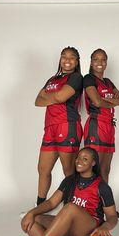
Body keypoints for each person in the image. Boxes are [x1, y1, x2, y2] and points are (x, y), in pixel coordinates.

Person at [0, 147, 118, 236]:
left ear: (93, 163)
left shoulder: (102, 186)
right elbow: (51, 203)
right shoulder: (70, 180)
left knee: (70, 208)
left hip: (86, 234)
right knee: (32, 221)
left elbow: (112, 216)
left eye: (85, 159)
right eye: (78, 157)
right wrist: (31, 213)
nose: (79, 161)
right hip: (66, 233)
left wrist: (105, 227)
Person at [34, 47, 83, 206]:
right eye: (64, 57)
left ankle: (70, 208)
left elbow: (61, 97)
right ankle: (40, 206)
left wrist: (52, 97)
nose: (67, 60)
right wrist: (55, 97)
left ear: (77, 62)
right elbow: (37, 101)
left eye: (72, 58)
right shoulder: (52, 80)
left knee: (68, 171)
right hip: (50, 127)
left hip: (67, 126)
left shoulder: (76, 78)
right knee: (43, 169)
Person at [83, 49, 119, 219]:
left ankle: (104, 206)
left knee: (105, 170)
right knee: (94, 169)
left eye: (103, 59)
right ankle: (91, 207)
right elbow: (96, 101)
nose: (100, 62)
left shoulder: (107, 81)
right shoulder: (89, 79)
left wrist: (105, 102)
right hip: (96, 125)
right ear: (91, 62)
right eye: (96, 59)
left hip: (109, 127)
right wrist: (109, 101)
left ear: (106, 62)